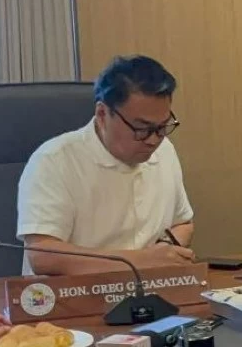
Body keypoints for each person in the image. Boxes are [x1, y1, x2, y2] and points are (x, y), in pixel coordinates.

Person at [17, 55, 195, 276]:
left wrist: (164, 250)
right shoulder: (53, 161)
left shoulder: (165, 150)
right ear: (102, 114)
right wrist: (141, 261)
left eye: (162, 126)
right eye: (141, 128)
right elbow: (43, 256)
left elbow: (184, 223)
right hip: (69, 299)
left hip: (147, 295)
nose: (153, 140)